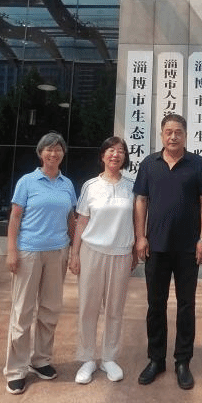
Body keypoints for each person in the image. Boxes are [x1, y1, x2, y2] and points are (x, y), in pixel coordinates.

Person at [133, 113, 202, 390]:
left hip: (188, 248)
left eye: (178, 132)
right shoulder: (149, 164)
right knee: (155, 305)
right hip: (156, 246)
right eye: (168, 132)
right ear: (162, 135)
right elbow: (141, 200)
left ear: (185, 135)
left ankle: (182, 361)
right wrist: (140, 237)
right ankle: (156, 359)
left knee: (186, 305)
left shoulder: (197, 164)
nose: (173, 136)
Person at [3, 132, 76, 395]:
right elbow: (15, 218)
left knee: (50, 309)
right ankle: (16, 370)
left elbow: (71, 219)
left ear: (63, 154)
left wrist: (74, 251)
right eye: (48, 149)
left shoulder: (67, 184)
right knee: (22, 312)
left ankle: (41, 360)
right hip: (29, 253)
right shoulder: (27, 182)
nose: (53, 154)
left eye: (58, 149)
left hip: (57, 252)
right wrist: (11, 251)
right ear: (40, 153)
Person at [68, 137, 138, 384]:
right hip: (92, 251)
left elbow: (137, 221)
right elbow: (81, 222)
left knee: (114, 309)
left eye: (120, 151)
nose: (115, 154)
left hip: (121, 253)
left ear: (125, 157)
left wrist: (135, 251)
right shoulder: (91, 186)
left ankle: (109, 357)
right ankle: (87, 358)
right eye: (111, 150)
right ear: (102, 155)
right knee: (88, 306)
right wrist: (75, 254)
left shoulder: (131, 186)